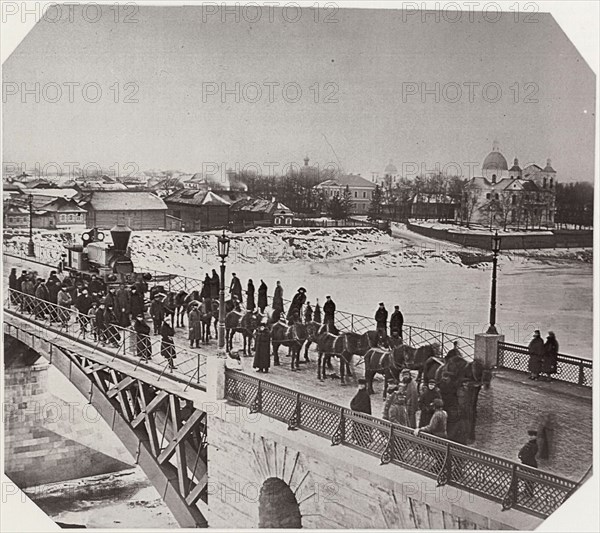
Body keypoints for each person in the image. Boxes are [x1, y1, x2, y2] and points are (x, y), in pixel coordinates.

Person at [350, 378, 372, 446]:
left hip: (362, 415)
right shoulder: (359, 393)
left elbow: (362, 406)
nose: (360, 386)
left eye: (362, 385)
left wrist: (354, 407)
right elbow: (352, 401)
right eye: (360, 385)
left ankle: (361, 441)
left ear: (365, 385)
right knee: (357, 427)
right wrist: (353, 406)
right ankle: (358, 440)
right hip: (357, 414)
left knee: (361, 429)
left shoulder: (365, 394)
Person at [518, 429, 539, 497]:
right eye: (530, 435)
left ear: (535, 437)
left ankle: (529, 492)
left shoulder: (534, 446)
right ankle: (526, 491)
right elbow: (522, 451)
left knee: (529, 479)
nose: (531, 437)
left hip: (530, 463)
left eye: (533, 436)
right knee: (526, 478)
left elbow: (531, 454)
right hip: (526, 462)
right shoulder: (528, 444)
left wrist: (523, 457)